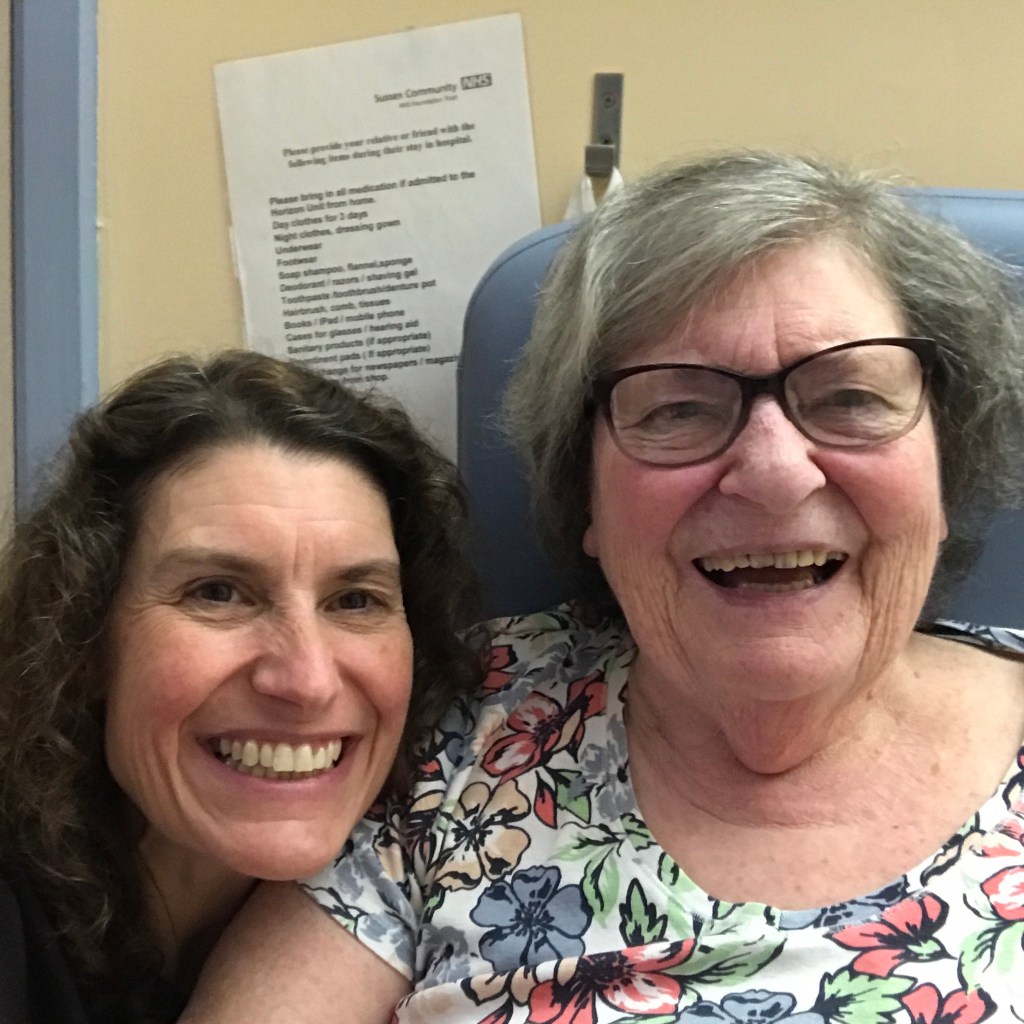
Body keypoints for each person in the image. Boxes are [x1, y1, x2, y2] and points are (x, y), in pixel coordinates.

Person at [183, 152, 1024, 1023]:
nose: (776, 474)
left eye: (849, 399)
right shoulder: (454, 726)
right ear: (584, 492)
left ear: (947, 461)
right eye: (677, 410)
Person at [0, 350, 479, 1023]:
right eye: (218, 593)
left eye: (355, 601)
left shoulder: (432, 898)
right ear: (83, 637)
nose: (307, 681)